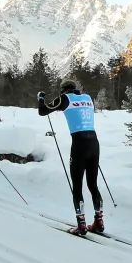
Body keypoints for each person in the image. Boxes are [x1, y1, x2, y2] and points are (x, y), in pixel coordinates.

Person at [38, 81, 102, 236]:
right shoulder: (87, 97)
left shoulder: (64, 98)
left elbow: (42, 111)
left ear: (64, 90)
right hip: (94, 142)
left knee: (77, 186)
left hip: (79, 144)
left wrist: (40, 98)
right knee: (93, 184)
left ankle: (81, 225)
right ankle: (99, 221)